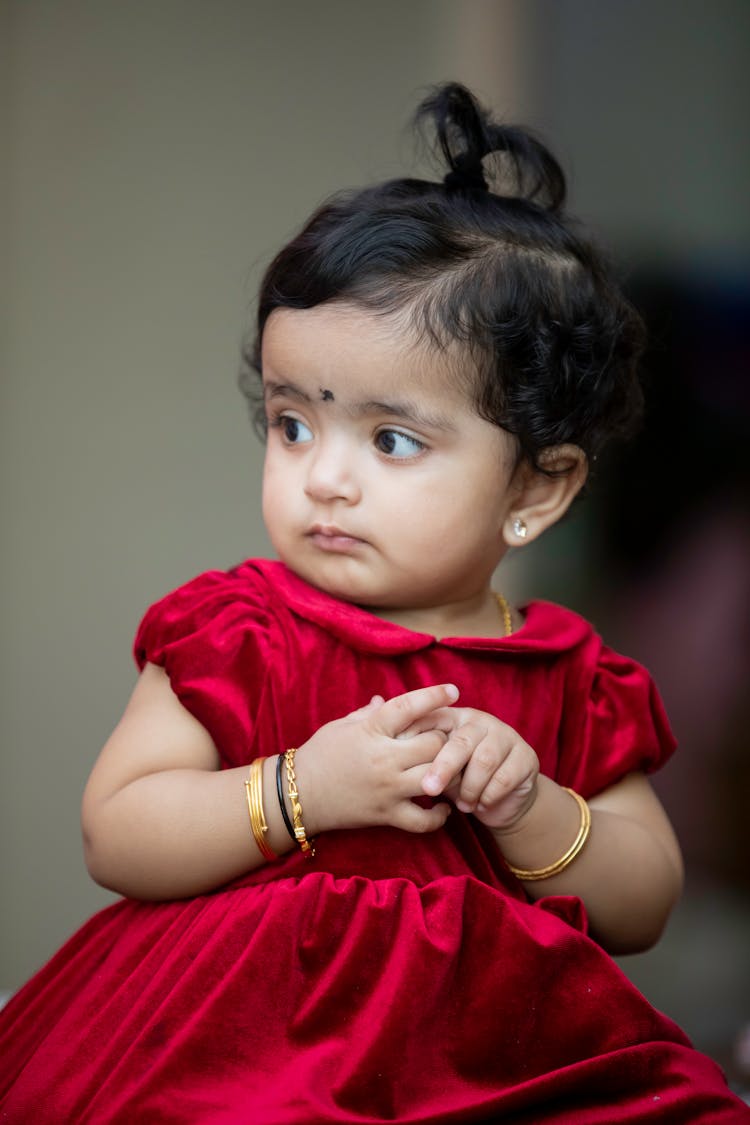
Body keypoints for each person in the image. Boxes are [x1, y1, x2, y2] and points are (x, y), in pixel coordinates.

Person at [1, 83, 747, 1124]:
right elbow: (118, 831)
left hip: (493, 1060)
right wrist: (303, 790)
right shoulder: (239, 631)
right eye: (293, 423)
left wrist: (532, 810)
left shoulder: (569, 675)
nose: (323, 479)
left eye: (391, 441)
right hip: (240, 1049)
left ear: (537, 487)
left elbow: (644, 903)